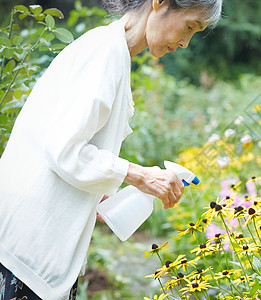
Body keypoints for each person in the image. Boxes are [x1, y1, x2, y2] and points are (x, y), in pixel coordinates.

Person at [0, 0, 222, 299]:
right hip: (25, 249)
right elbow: (65, 149)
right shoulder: (105, 52)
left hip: (29, 245)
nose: (185, 42)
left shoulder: (112, 50)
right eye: (189, 26)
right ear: (160, 3)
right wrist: (137, 174)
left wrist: (101, 191)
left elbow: (72, 145)